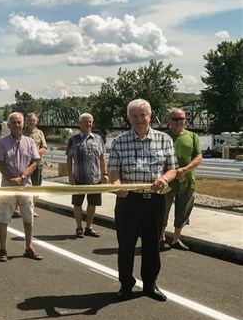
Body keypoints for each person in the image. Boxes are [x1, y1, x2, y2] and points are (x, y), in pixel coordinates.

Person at [108, 99, 177, 302]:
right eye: (135, 116)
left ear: (150, 116)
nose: (139, 119)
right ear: (129, 118)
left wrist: (164, 178)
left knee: (151, 245)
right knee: (126, 244)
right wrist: (117, 186)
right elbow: (113, 172)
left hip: (154, 201)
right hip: (128, 200)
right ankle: (126, 285)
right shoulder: (119, 141)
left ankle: (150, 285)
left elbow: (172, 169)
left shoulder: (164, 139)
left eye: (143, 115)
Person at [0, 112, 42, 262]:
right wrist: (11, 179)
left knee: (28, 217)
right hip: (8, 186)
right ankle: (2, 249)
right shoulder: (2, 143)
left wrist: (22, 177)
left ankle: (29, 247)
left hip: (25, 185)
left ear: (23, 124)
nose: (17, 125)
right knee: (4, 218)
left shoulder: (30, 142)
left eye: (19, 122)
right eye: (13, 123)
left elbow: (34, 162)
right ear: (8, 125)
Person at [160, 108, 203, 251]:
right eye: (174, 119)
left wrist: (185, 170)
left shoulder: (192, 137)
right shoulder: (162, 137)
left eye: (181, 119)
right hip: (166, 181)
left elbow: (198, 157)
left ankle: (176, 239)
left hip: (187, 181)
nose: (178, 122)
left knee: (183, 211)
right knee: (162, 211)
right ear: (169, 120)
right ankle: (161, 238)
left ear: (185, 120)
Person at [65, 113, 108, 238]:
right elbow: (69, 158)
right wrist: (70, 176)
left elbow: (102, 158)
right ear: (80, 124)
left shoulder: (98, 139)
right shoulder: (73, 140)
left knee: (92, 204)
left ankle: (89, 227)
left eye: (90, 122)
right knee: (77, 204)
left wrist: (104, 173)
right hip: (79, 178)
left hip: (95, 178)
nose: (88, 124)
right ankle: (79, 227)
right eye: (85, 122)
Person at [23, 113, 48, 217]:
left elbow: (44, 148)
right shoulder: (22, 132)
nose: (32, 122)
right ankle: (17, 207)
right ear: (26, 121)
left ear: (36, 122)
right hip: (24, 164)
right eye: (30, 120)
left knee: (36, 187)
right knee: (22, 186)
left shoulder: (40, 133)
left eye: (34, 120)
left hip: (37, 164)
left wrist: (35, 153)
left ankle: (31, 208)